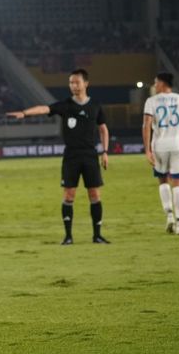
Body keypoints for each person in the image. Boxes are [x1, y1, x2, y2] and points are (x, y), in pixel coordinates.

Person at [7, 68, 110, 245]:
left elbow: (103, 128)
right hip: (71, 156)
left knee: (94, 194)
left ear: (86, 84)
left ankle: (97, 235)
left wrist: (105, 152)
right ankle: (68, 236)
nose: (73, 86)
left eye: (77, 82)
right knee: (69, 195)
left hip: (90, 155)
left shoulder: (95, 106)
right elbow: (44, 108)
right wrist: (25, 113)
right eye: (71, 83)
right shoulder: (65, 105)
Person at [142, 72, 179, 236]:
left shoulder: (151, 102)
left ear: (163, 83)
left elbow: (146, 126)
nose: (154, 85)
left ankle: (170, 216)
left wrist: (147, 150)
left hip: (160, 146)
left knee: (163, 180)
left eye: (156, 82)